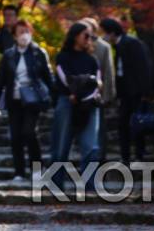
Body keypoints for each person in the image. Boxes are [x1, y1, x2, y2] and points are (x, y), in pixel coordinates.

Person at [0, 20, 53, 181]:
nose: (24, 35)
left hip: (32, 99)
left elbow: (48, 77)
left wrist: (54, 98)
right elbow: (0, 81)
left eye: (26, 31)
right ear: (14, 35)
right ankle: (19, 172)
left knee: (29, 132)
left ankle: (37, 169)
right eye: (20, 32)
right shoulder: (9, 55)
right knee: (15, 136)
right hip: (14, 99)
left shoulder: (38, 52)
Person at [50, 22, 101, 187]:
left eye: (91, 36)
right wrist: (73, 93)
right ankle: (56, 184)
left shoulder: (93, 60)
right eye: (86, 35)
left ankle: (90, 185)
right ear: (75, 36)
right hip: (67, 102)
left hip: (89, 104)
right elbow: (64, 79)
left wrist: (84, 96)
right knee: (61, 145)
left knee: (91, 146)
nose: (89, 39)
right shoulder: (62, 57)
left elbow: (98, 82)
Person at [100, 18, 153, 163]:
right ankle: (126, 156)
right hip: (125, 92)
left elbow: (143, 68)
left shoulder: (131, 43)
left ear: (111, 33)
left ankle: (138, 154)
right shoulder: (119, 46)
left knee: (136, 123)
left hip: (135, 91)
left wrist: (145, 92)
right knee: (123, 123)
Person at [80, 17, 115, 157]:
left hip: (97, 95)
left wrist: (107, 95)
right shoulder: (78, 46)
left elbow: (108, 72)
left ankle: (99, 157)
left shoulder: (103, 47)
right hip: (80, 94)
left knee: (99, 128)